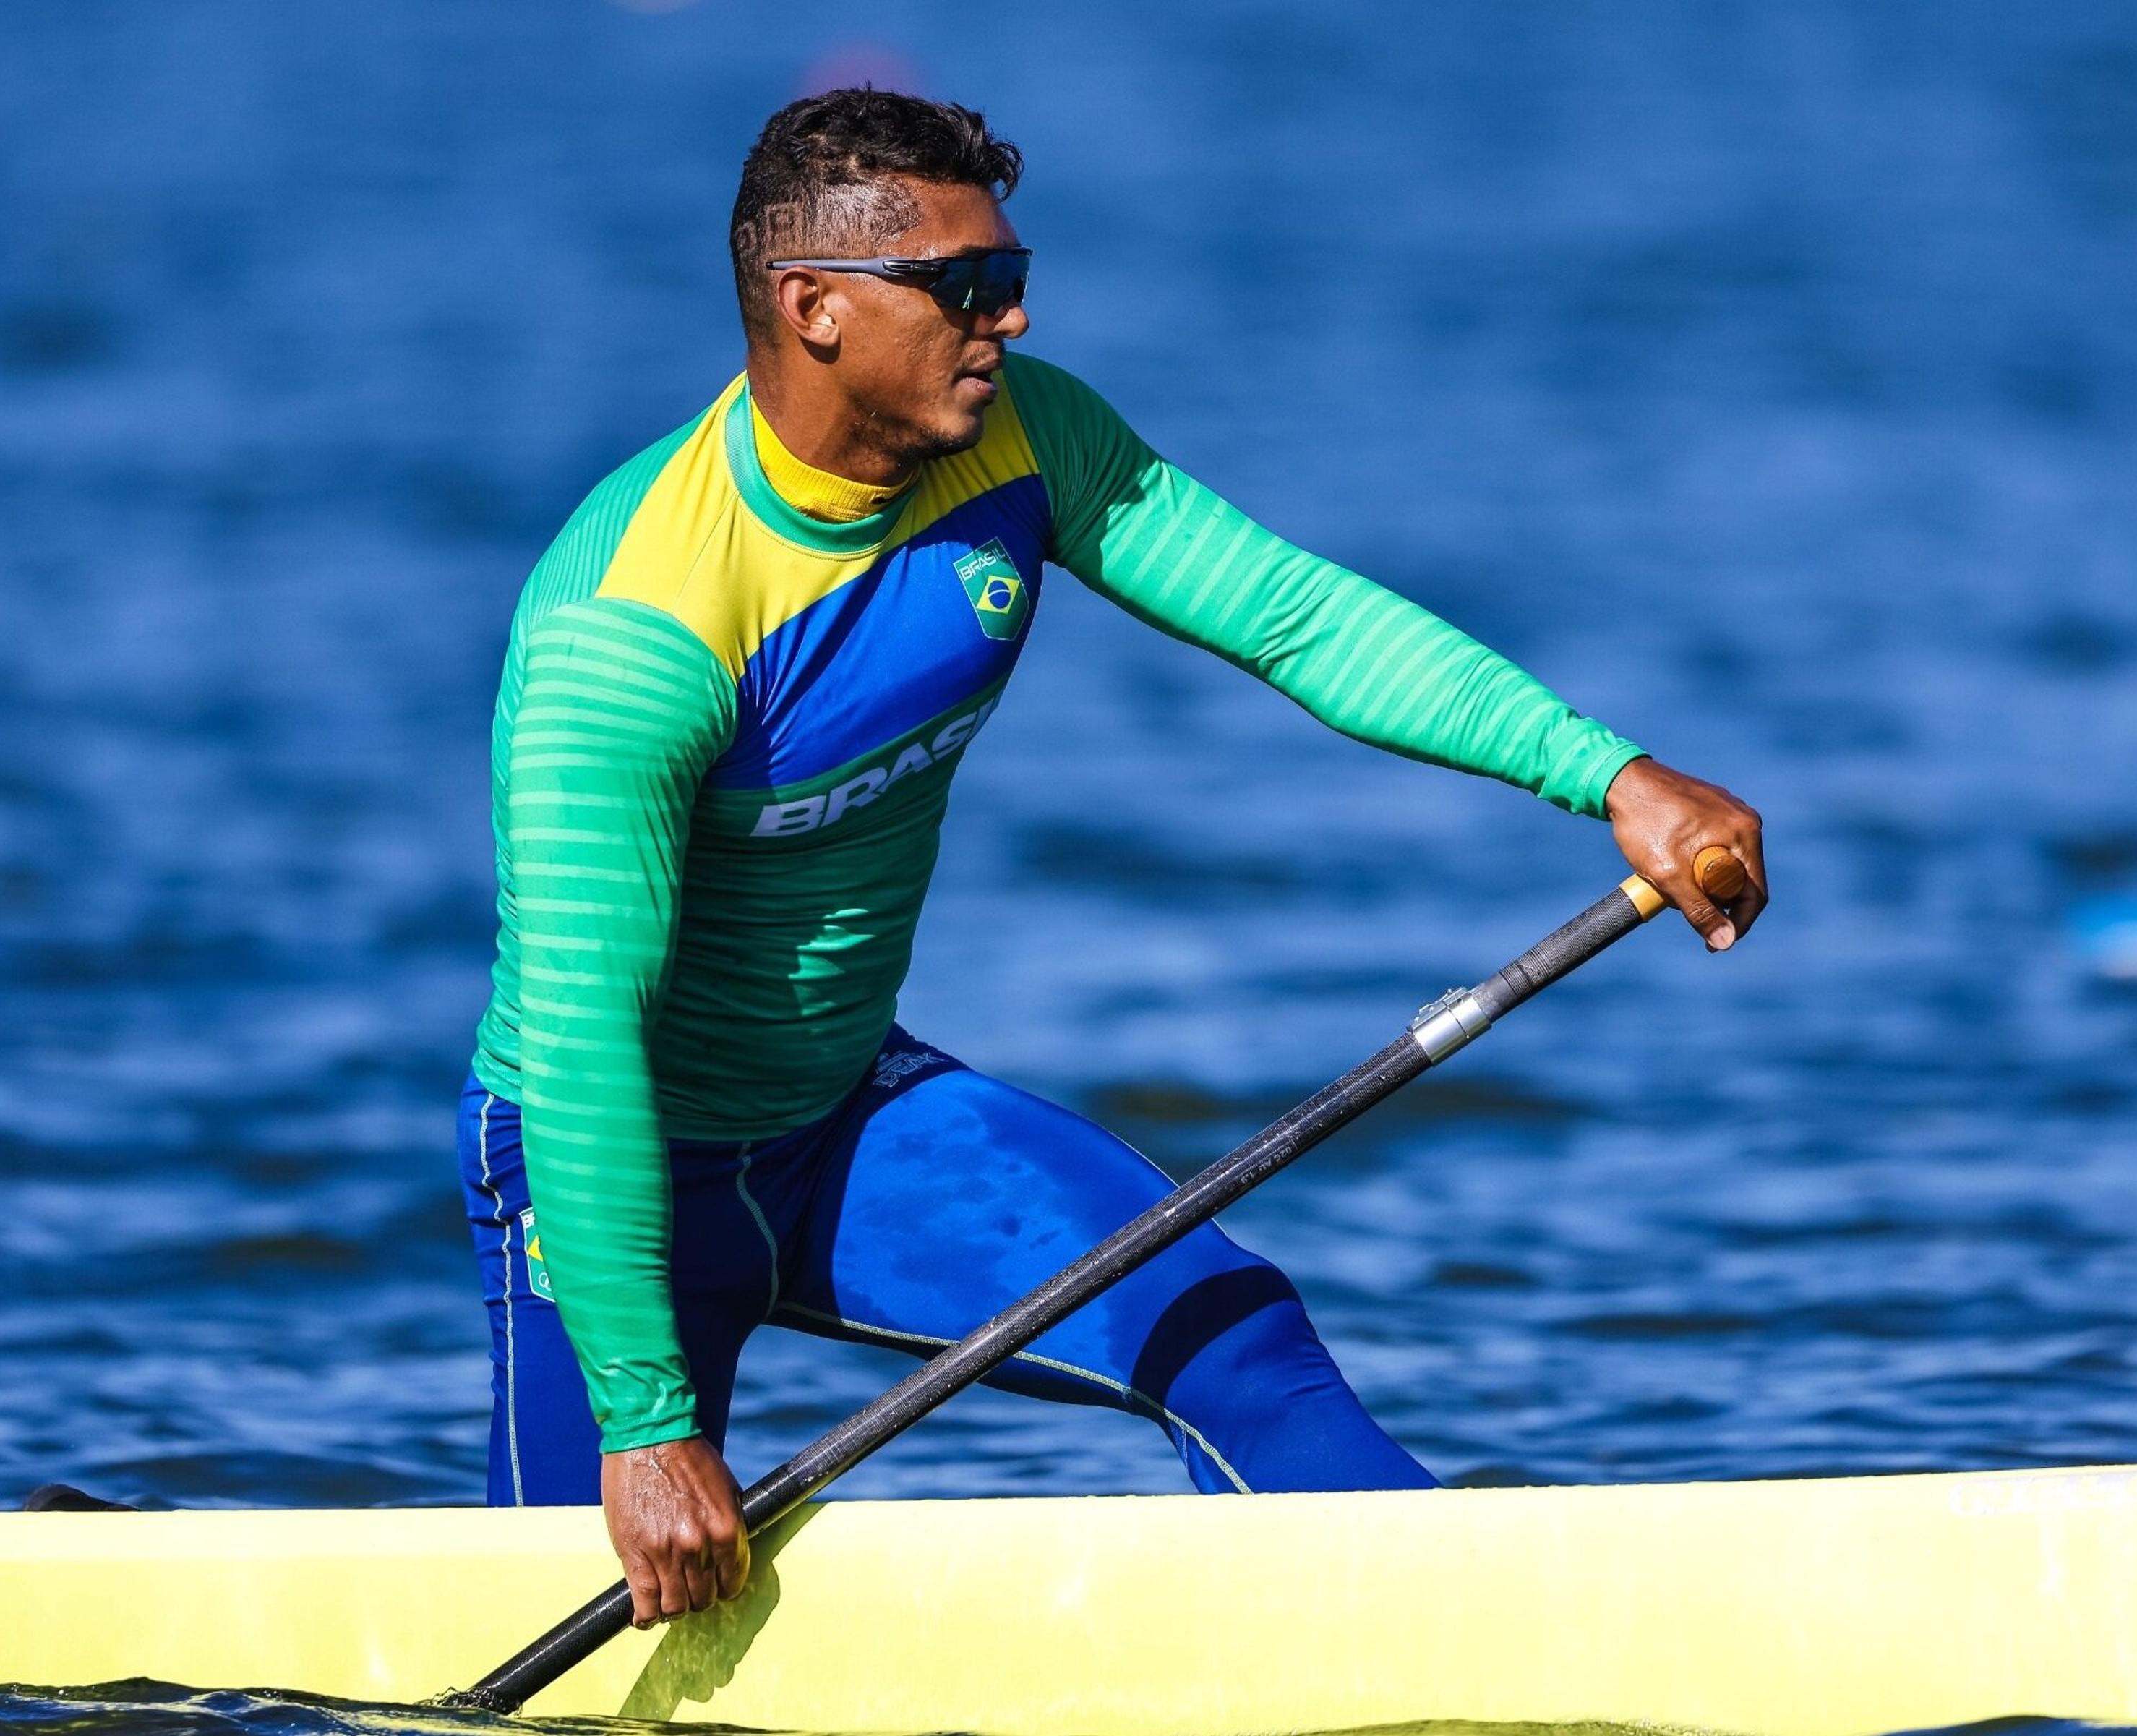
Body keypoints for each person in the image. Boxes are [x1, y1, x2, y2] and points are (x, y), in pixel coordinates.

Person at [458, 87, 1766, 1630]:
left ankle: (1476, 1654)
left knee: (1232, 1332)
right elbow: (589, 1046)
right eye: (962, 288)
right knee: (549, 1630)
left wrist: (1608, 774)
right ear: (814, 308)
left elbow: (1295, 614)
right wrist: (645, 1424)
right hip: (604, 1180)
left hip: (846, 1124)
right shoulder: (630, 633)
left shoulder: (1022, 442)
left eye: (1009, 275)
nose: (1006, 318)